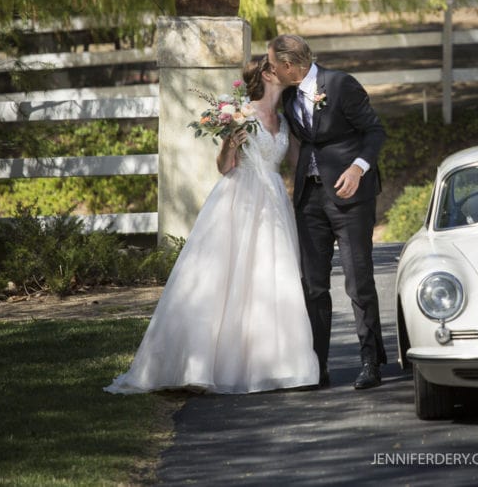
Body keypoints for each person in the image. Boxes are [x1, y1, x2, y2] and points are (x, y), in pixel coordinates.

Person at [105, 57, 318, 394]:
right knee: (222, 279)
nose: (289, 71)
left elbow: (299, 162)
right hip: (239, 197)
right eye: (281, 66)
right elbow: (224, 166)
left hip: (273, 200)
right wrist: (230, 146)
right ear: (267, 74)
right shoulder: (241, 114)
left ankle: (276, 364)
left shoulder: (284, 119)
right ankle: (199, 364)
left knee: (270, 277)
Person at [267, 34, 387, 390]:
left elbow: (375, 131)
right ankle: (316, 364)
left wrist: (358, 168)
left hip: (350, 196)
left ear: (290, 65)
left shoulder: (340, 84)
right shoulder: (286, 95)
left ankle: (370, 361)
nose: (270, 70)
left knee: (358, 279)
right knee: (313, 284)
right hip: (310, 198)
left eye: (273, 64)